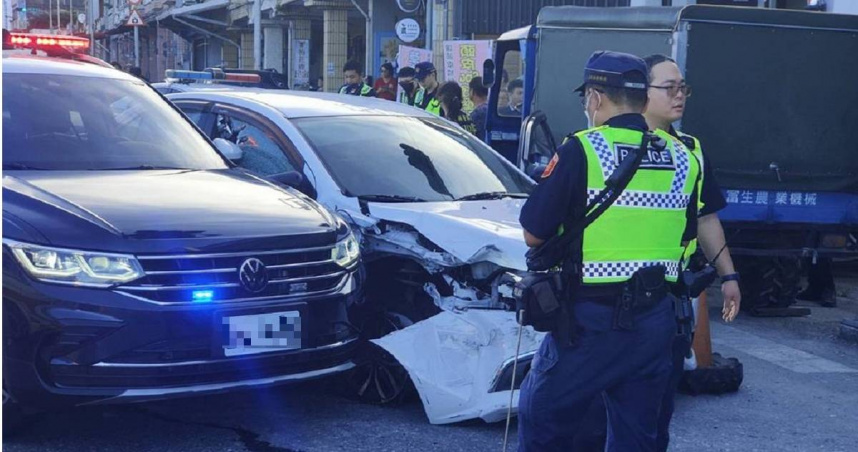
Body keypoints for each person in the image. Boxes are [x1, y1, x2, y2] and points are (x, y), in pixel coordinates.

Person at [517, 51, 703, 452]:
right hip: (656, 324)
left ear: (596, 98)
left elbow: (534, 232)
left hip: (589, 322)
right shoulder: (684, 158)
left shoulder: (582, 150)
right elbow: (688, 234)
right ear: (641, 100)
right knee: (637, 437)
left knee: (544, 418)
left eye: (587, 97)